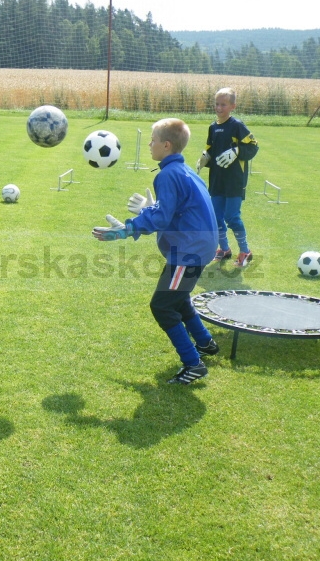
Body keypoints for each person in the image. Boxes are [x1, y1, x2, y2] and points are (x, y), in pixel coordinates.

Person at [92, 118, 219, 384]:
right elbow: (179, 210)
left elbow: (162, 218)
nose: (149, 144)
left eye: (152, 140)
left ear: (166, 145)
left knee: (162, 306)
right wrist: (152, 209)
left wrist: (127, 229)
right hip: (199, 246)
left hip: (188, 252)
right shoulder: (185, 171)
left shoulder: (168, 175)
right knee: (178, 299)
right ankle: (206, 343)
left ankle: (193, 364)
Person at [195, 87, 259, 268]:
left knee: (232, 217)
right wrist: (205, 157)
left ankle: (245, 250)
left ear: (232, 106)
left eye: (223, 104)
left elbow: (253, 146)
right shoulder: (212, 127)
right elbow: (210, 149)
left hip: (234, 181)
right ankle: (224, 249)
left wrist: (237, 150)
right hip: (217, 180)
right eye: (216, 104)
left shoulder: (237, 126)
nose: (219, 108)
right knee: (215, 217)